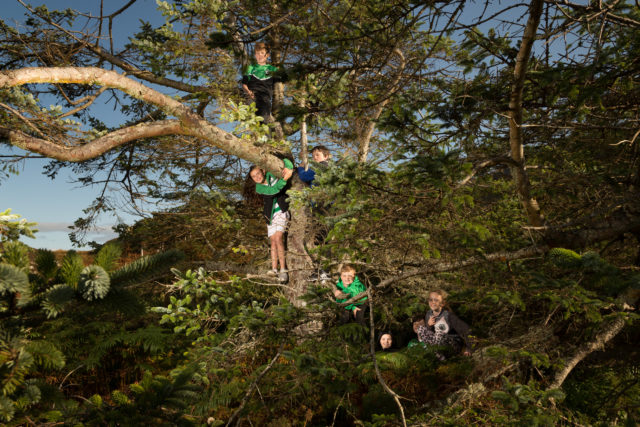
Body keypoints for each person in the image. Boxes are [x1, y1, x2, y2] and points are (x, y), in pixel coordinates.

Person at [248, 158, 293, 283]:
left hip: (281, 212)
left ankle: (283, 269)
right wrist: (285, 179)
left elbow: (286, 162)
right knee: (273, 241)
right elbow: (274, 191)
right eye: (253, 176)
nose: (257, 177)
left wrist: (287, 168)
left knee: (278, 238)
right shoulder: (259, 188)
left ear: (262, 171)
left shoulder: (271, 174)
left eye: (258, 173)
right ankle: (274, 269)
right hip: (270, 215)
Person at [412, 289, 472, 358]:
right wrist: (429, 325)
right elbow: (429, 335)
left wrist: (469, 349)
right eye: (431, 300)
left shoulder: (448, 315)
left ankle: (443, 356)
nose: (433, 302)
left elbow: (466, 329)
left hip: (452, 343)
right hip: (437, 344)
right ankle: (433, 355)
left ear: (442, 303)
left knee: (439, 334)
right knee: (421, 329)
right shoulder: (428, 314)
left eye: (436, 300)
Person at [241, 42, 284, 123]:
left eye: (262, 53)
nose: (260, 55)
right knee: (250, 120)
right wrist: (248, 92)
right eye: (257, 53)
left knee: (263, 122)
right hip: (252, 96)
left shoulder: (272, 69)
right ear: (255, 55)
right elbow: (244, 84)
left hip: (265, 99)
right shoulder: (250, 68)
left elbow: (281, 82)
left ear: (267, 55)